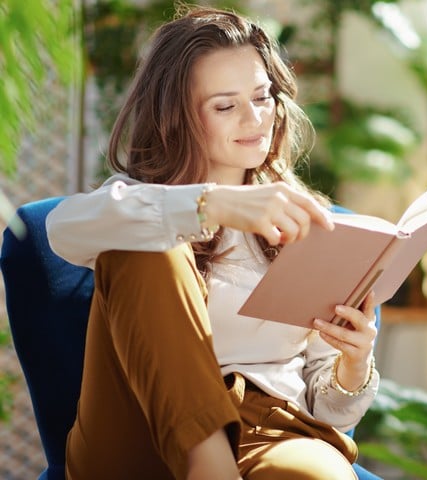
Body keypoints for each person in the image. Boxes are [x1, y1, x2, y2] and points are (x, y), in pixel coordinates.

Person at [45, 5, 380, 480]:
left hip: (269, 429)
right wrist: (210, 205)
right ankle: (209, 466)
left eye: (262, 97)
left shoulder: (304, 218)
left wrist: (354, 360)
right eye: (226, 106)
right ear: (177, 117)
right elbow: (60, 229)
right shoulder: (140, 204)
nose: (254, 118)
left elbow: (328, 414)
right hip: (136, 429)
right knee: (146, 241)